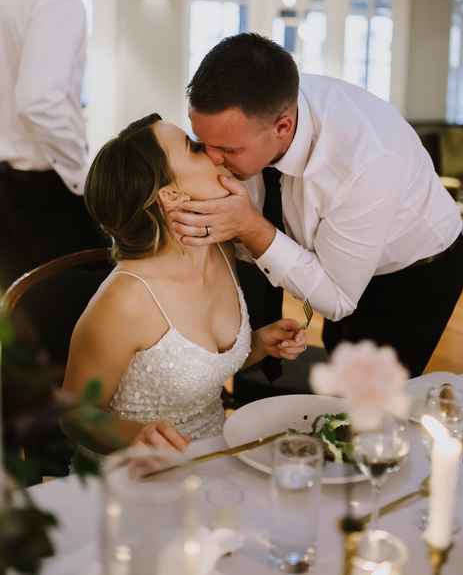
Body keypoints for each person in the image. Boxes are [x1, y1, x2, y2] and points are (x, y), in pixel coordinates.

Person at [170, 33, 463, 378]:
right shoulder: (257, 111)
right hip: (335, 260)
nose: (212, 159)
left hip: (411, 273)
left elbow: (338, 299)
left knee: (371, 397)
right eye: (202, 143)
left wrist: (251, 228)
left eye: (228, 151)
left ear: (283, 127)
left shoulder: (365, 161)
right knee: (338, 354)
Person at [62, 114, 306, 453]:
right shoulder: (125, 301)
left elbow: (197, 374)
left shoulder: (221, 251)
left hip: (215, 458)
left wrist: (259, 345)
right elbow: (74, 416)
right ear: (171, 196)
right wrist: (134, 437)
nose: (213, 152)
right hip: (140, 475)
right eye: (193, 147)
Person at [0, 0, 120, 288]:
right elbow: (39, 101)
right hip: (40, 187)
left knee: (19, 312)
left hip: (9, 181)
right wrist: (82, 180)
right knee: (79, 302)